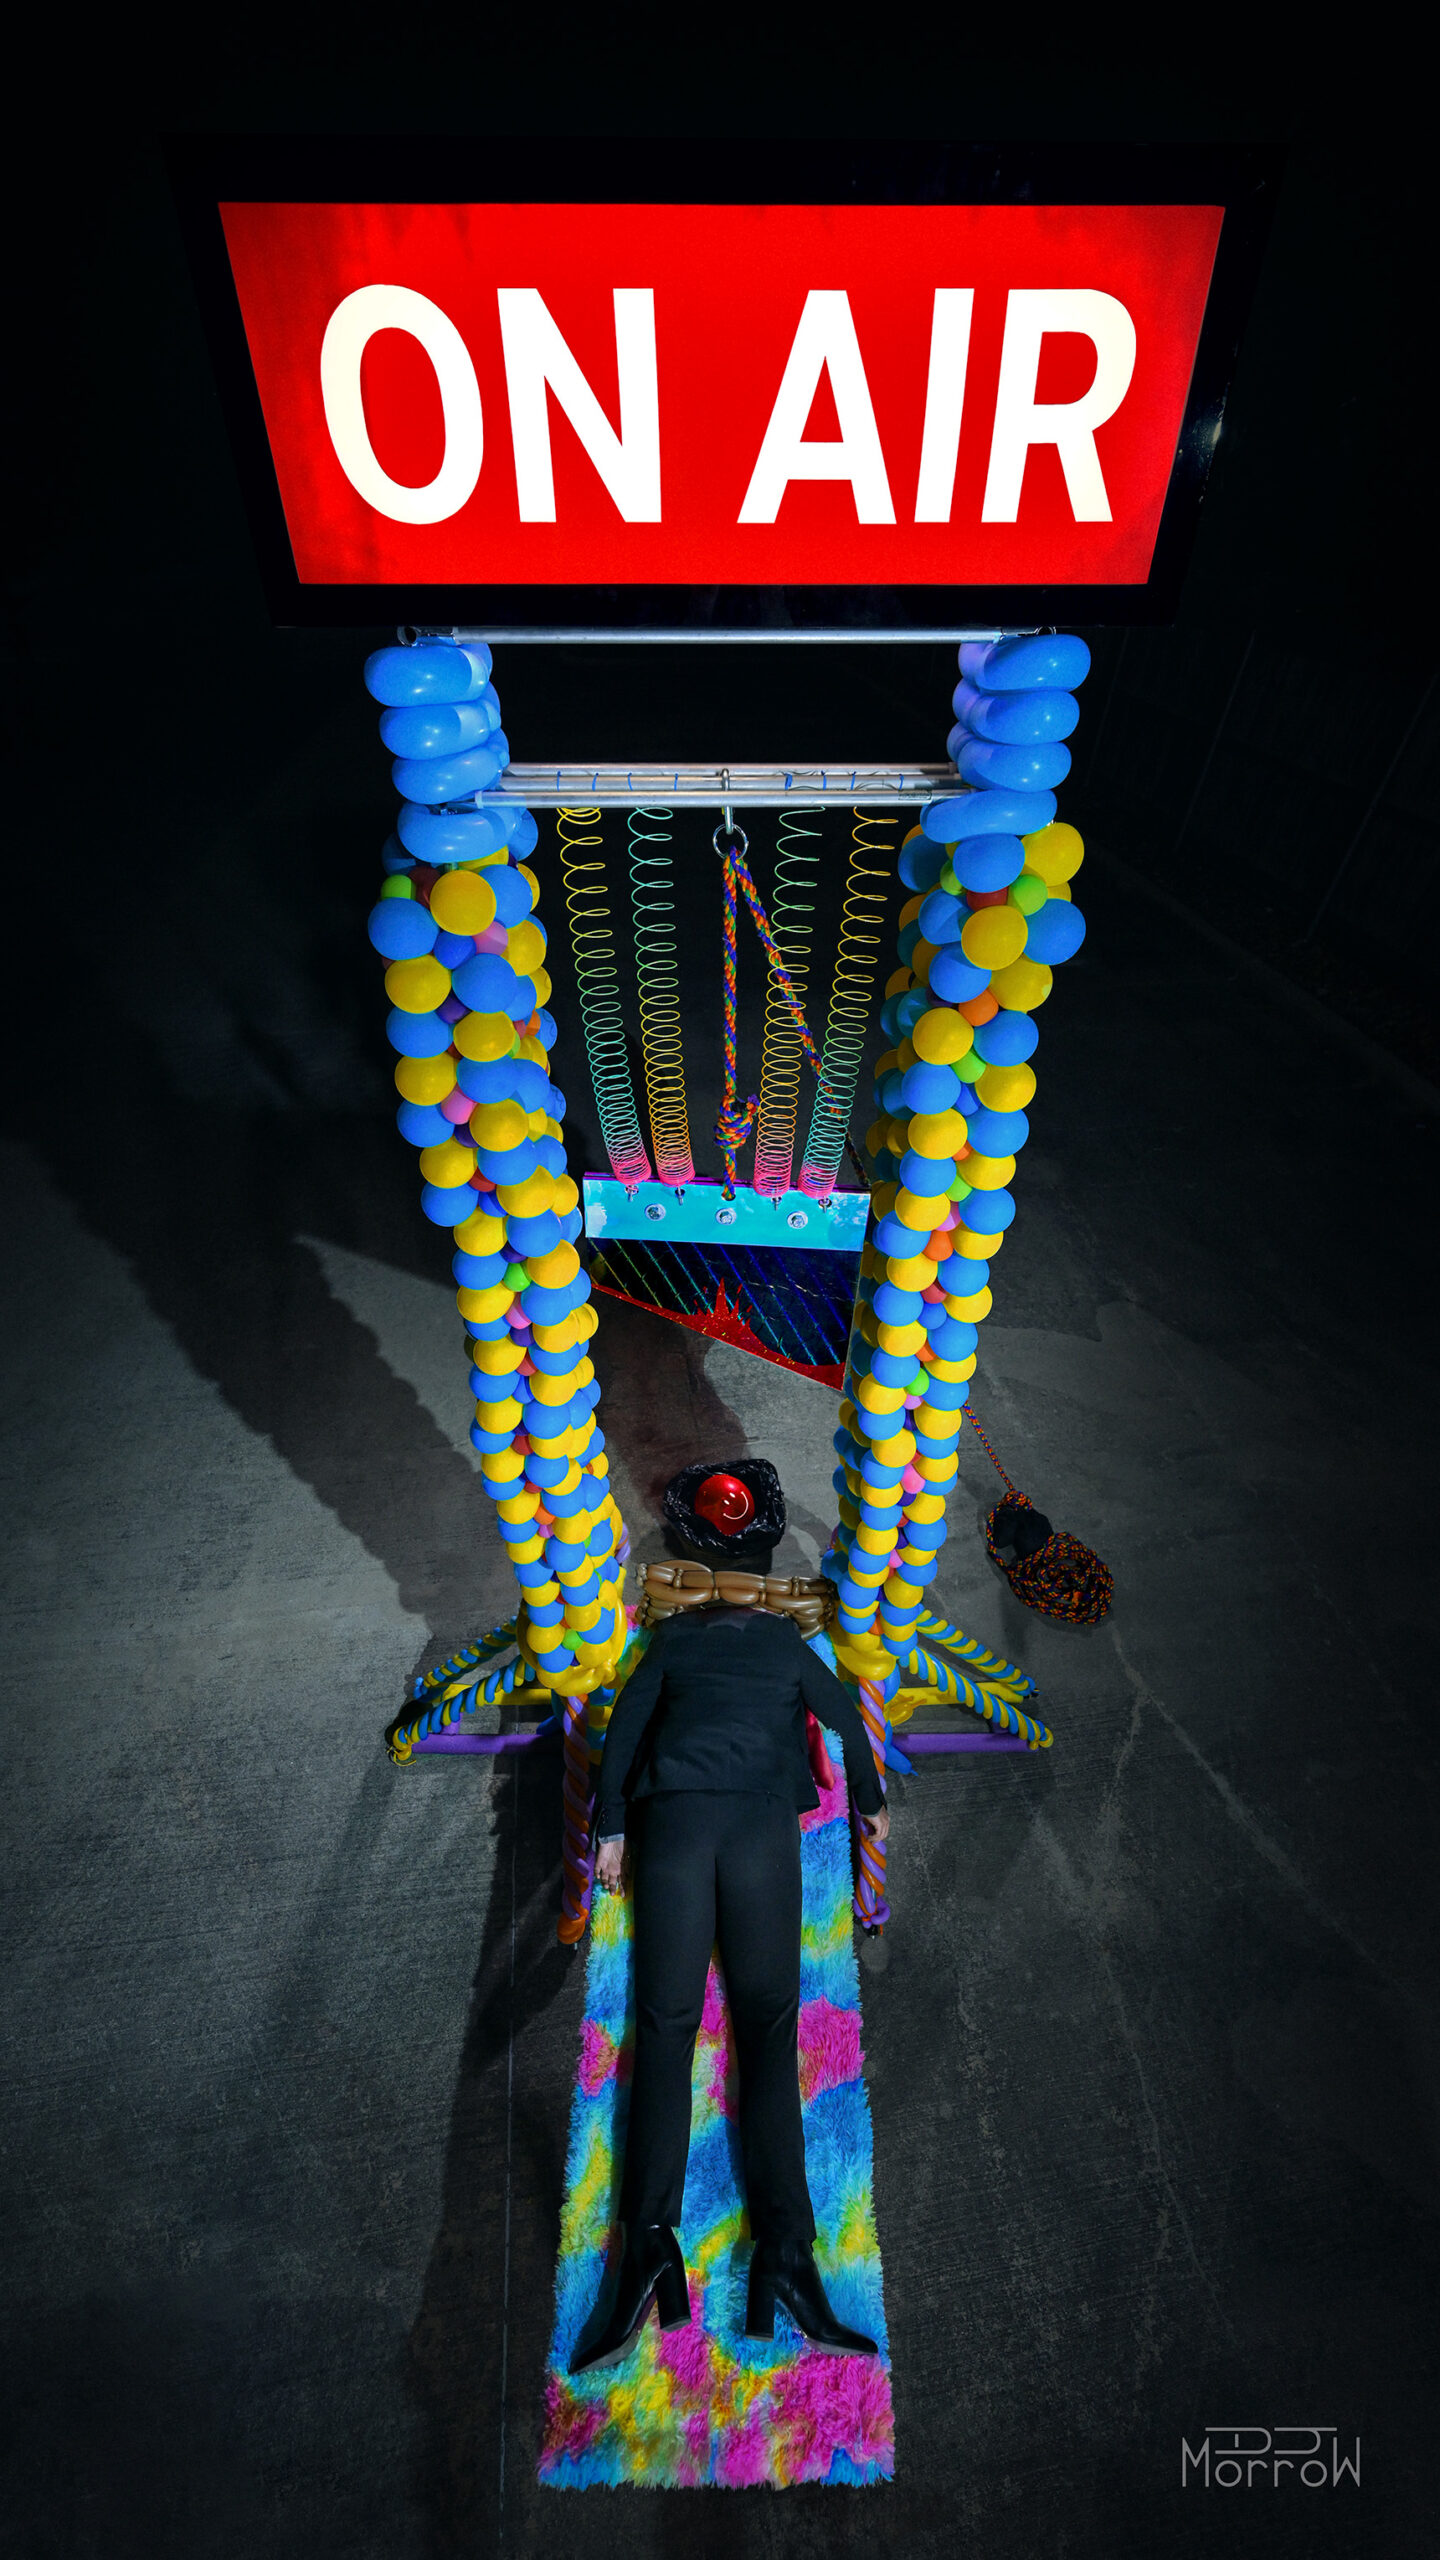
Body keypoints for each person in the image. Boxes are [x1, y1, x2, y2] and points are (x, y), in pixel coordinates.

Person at [569, 1461, 888, 2375]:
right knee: (768, 2031)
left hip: (673, 1828)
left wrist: (615, 1828)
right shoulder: (789, 1644)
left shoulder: (669, 1641)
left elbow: (623, 1730)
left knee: (664, 2030)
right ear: (763, 1560)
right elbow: (843, 1717)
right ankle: (786, 2255)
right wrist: (867, 1803)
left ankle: (647, 2255)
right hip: (755, 1832)